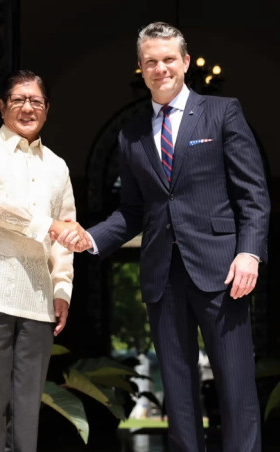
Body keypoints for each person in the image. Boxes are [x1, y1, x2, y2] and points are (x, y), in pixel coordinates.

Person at [56, 22, 269, 452]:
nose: (161, 68)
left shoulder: (222, 113)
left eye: (169, 59)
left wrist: (249, 253)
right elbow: (133, 212)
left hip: (222, 271)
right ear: (141, 67)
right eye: (151, 61)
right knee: (178, 389)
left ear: (185, 62)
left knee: (236, 386)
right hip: (161, 275)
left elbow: (253, 195)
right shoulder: (131, 134)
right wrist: (90, 239)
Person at [0, 70, 88, 452]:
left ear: (47, 109)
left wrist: (62, 289)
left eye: (36, 101)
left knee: (27, 416)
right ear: (2, 106)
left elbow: (66, 233)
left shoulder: (57, 166)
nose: (28, 108)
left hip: (38, 304)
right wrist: (50, 226)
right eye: (18, 100)